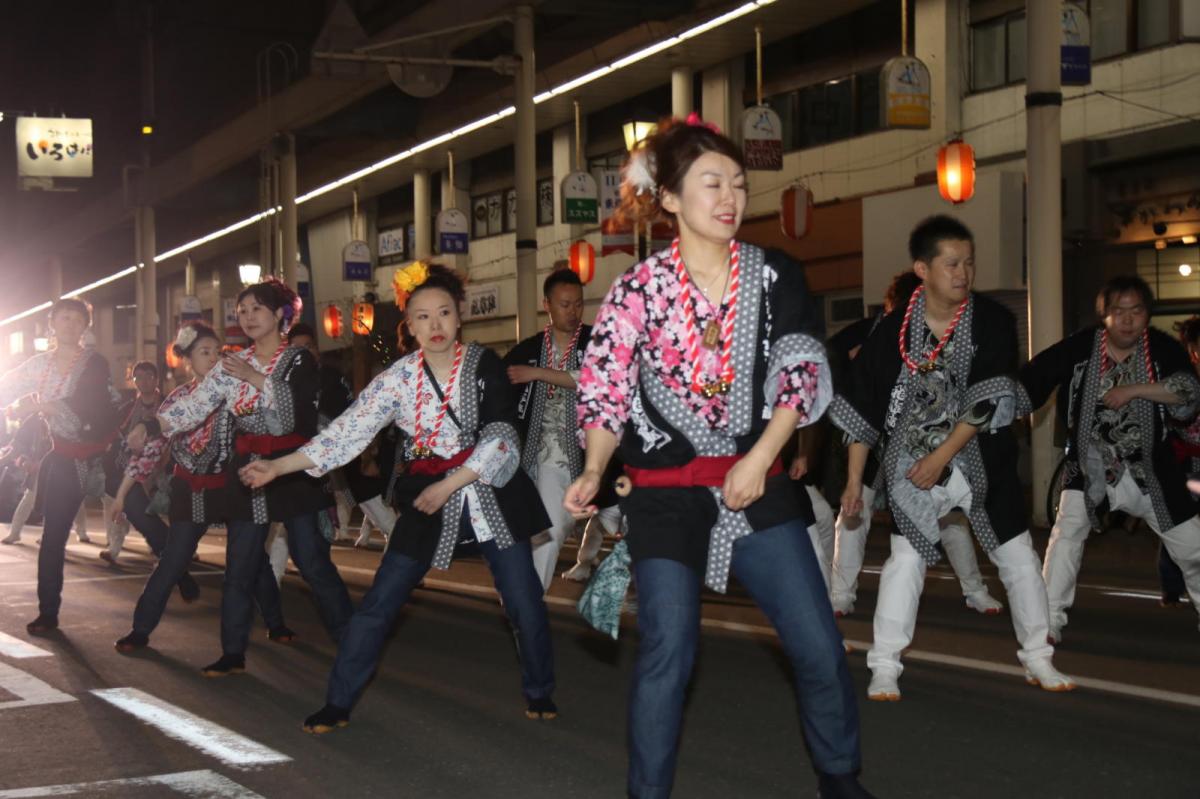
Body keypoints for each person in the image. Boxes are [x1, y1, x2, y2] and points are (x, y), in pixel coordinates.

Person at [564, 116, 871, 799]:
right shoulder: (634, 290)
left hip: (755, 476)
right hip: (665, 492)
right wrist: (592, 466)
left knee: (818, 644)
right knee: (668, 649)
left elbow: (798, 369)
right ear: (669, 198)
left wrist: (761, 456)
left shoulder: (774, 275)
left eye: (738, 181)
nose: (730, 195)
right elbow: (607, 391)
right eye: (712, 182)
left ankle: (839, 774)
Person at [239, 263, 556, 733]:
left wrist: (450, 484)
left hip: (488, 494)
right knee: (378, 605)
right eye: (423, 317)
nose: (436, 326)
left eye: (444, 313)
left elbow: (502, 435)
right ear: (409, 324)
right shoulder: (398, 378)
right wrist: (279, 467)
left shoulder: (484, 363)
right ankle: (339, 701)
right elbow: (347, 432)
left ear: (460, 315)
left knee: (524, 600)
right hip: (428, 500)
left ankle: (539, 688)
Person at [831, 215, 1074, 701]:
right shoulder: (892, 330)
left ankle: (1038, 658)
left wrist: (941, 456)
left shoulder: (992, 321)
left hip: (981, 459)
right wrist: (855, 481)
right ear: (922, 269)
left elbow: (985, 401)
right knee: (905, 562)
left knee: (1019, 560)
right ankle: (885, 665)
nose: (963, 273)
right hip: (911, 465)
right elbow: (863, 409)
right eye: (951, 263)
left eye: (969, 262)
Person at [127, 278, 352, 676]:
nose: (247, 317)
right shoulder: (231, 364)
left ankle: (351, 640)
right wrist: (154, 425)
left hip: (292, 467)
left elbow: (295, 413)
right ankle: (233, 652)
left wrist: (253, 377)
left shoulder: (299, 360)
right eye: (242, 310)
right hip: (247, 470)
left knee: (311, 560)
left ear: (281, 315)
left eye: (257, 309)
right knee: (240, 562)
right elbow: (194, 407)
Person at [1019, 276, 1200, 641]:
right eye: (1119, 311)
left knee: (1193, 547)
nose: (1128, 320)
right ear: (1104, 315)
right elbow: (1034, 377)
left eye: (1137, 311)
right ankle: (1049, 620)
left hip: (1153, 469)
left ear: (1147, 315)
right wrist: (1001, 403)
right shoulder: (1081, 347)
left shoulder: (1163, 349)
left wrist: (1134, 390)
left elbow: (1189, 391)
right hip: (1091, 465)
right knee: (1066, 533)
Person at [828, 271, 1003, 617]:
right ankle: (841, 595)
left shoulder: (943, 335)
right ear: (891, 307)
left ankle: (974, 589)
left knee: (950, 518)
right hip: (871, 444)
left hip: (926, 447)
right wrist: (852, 367)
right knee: (852, 516)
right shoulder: (873, 333)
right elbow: (830, 355)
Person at [112, 323, 294, 652]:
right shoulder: (176, 401)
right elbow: (153, 448)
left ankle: (276, 621)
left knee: (254, 560)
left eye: (216, 351)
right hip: (191, 489)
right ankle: (140, 629)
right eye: (203, 352)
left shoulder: (233, 389)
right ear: (187, 360)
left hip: (233, 486)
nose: (212, 358)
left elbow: (270, 420)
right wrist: (125, 490)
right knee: (173, 560)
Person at [0, 298, 121, 634]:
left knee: (139, 512)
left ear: (85, 326)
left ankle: (177, 571)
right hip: (63, 458)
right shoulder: (38, 366)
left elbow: (103, 408)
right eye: (63, 318)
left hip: (101, 455)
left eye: (77, 319)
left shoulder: (95, 364)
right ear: (52, 323)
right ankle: (48, 612)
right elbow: (6, 385)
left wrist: (57, 409)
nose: (70, 324)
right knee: (53, 537)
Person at [504, 268, 621, 588]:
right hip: (547, 459)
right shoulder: (526, 352)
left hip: (600, 456)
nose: (573, 312)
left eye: (578, 304)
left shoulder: (598, 342)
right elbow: (502, 402)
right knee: (549, 533)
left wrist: (540, 374)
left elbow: (600, 378)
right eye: (565, 304)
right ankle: (529, 605)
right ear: (547, 304)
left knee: (639, 528)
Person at [101, 360, 163, 562]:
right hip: (129, 465)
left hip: (160, 463)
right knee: (120, 502)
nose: (144, 381)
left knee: (161, 507)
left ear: (156, 379)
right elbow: (114, 433)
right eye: (139, 377)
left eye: (148, 376)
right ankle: (115, 545)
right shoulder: (127, 408)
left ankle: (172, 545)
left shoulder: (167, 404)